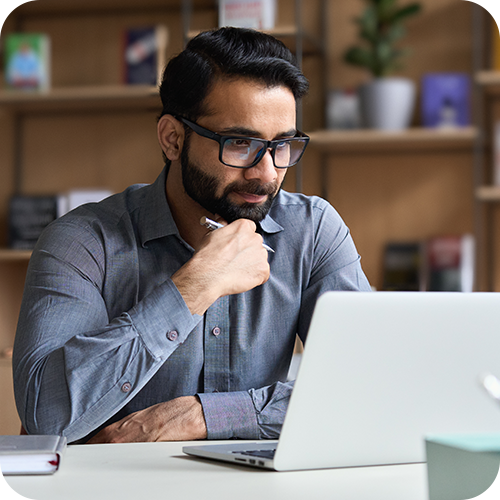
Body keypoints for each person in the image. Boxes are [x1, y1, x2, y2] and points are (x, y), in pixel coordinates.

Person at [13, 27, 371, 444]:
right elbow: (46, 416)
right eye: (240, 143)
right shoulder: (81, 242)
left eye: (283, 145)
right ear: (172, 139)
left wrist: (201, 416)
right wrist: (193, 287)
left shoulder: (312, 231)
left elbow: (372, 386)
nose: (268, 173)